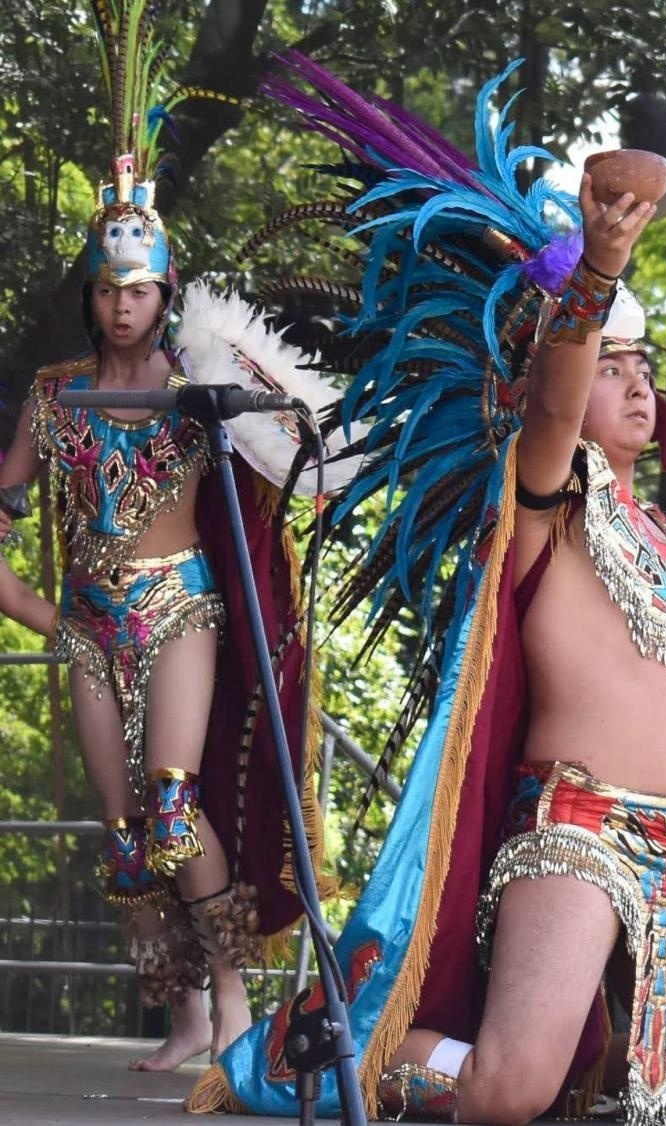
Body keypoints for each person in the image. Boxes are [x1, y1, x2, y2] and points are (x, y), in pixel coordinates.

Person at [193, 57, 666, 1126]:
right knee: (507, 1092)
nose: (640, 383)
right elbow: (559, 388)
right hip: (578, 829)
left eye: (645, 366)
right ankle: (342, 1053)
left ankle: (518, 1054)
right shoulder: (540, 496)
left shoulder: (661, 538)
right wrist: (602, 261)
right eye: (616, 366)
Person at [0, 5, 319, 1072]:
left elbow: (300, 448)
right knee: (125, 831)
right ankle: (179, 1015)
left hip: (180, 606)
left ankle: (232, 1000)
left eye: (138, 287)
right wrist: (39, 609)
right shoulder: (52, 399)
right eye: (106, 287)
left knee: (175, 807)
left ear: (162, 292)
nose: (121, 302)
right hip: (88, 623)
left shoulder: (200, 394)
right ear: (90, 297)